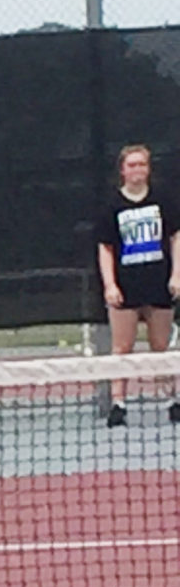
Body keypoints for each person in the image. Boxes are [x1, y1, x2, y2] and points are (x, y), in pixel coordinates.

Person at [96, 144, 178, 426]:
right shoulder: (112, 206)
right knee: (122, 348)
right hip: (125, 288)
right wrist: (110, 285)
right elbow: (105, 248)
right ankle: (118, 403)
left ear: (149, 168)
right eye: (132, 165)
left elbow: (176, 238)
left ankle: (172, 399)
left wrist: (177, 275)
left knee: (160, 346)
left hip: (159, 286)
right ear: (122, 170)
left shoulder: (163, 200)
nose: (137, 170)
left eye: (142, 164)